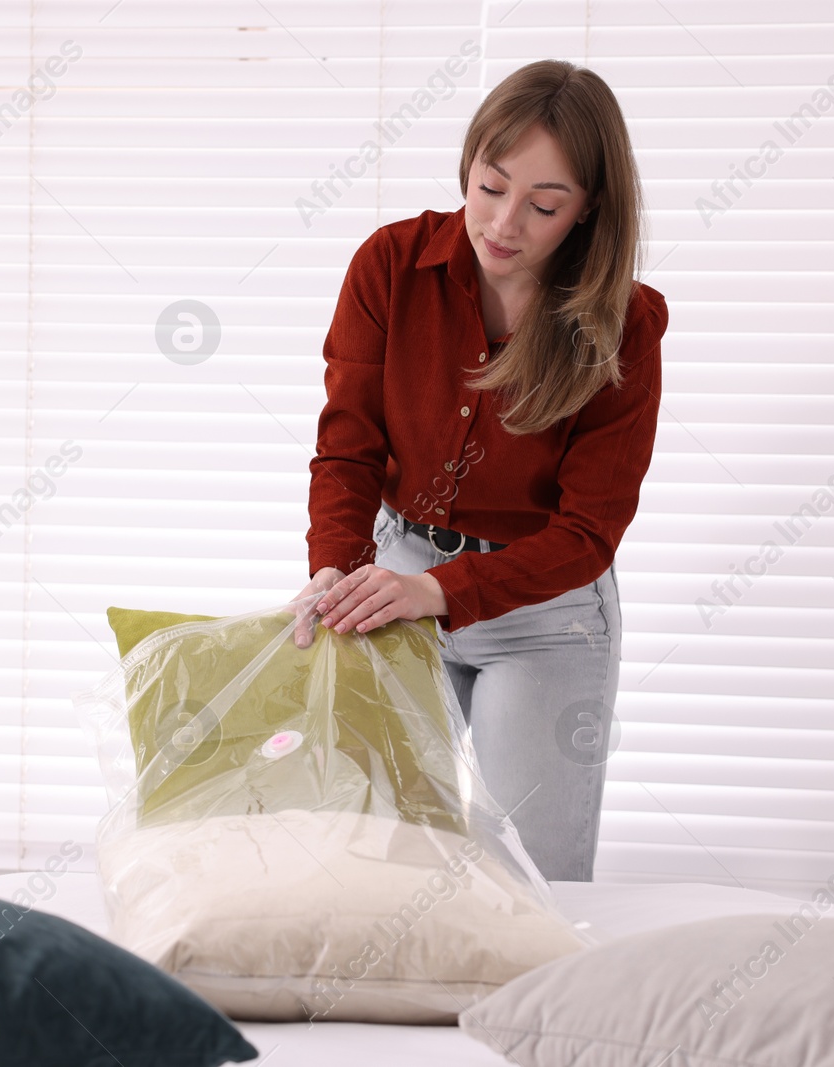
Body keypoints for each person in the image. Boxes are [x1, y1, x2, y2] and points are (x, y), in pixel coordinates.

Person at [290, 59, 668, 882]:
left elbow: (588, 531)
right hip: (397, 575)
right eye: (491, 186)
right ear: (469, 162)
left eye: (543, 205)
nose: (503, 223)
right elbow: (347, 445)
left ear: (589, 209)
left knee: (526, 880)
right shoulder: (389, 266)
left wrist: (445, 594)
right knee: (371, 858)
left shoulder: (624, 327)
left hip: (545, 607)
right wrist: (334, 569)